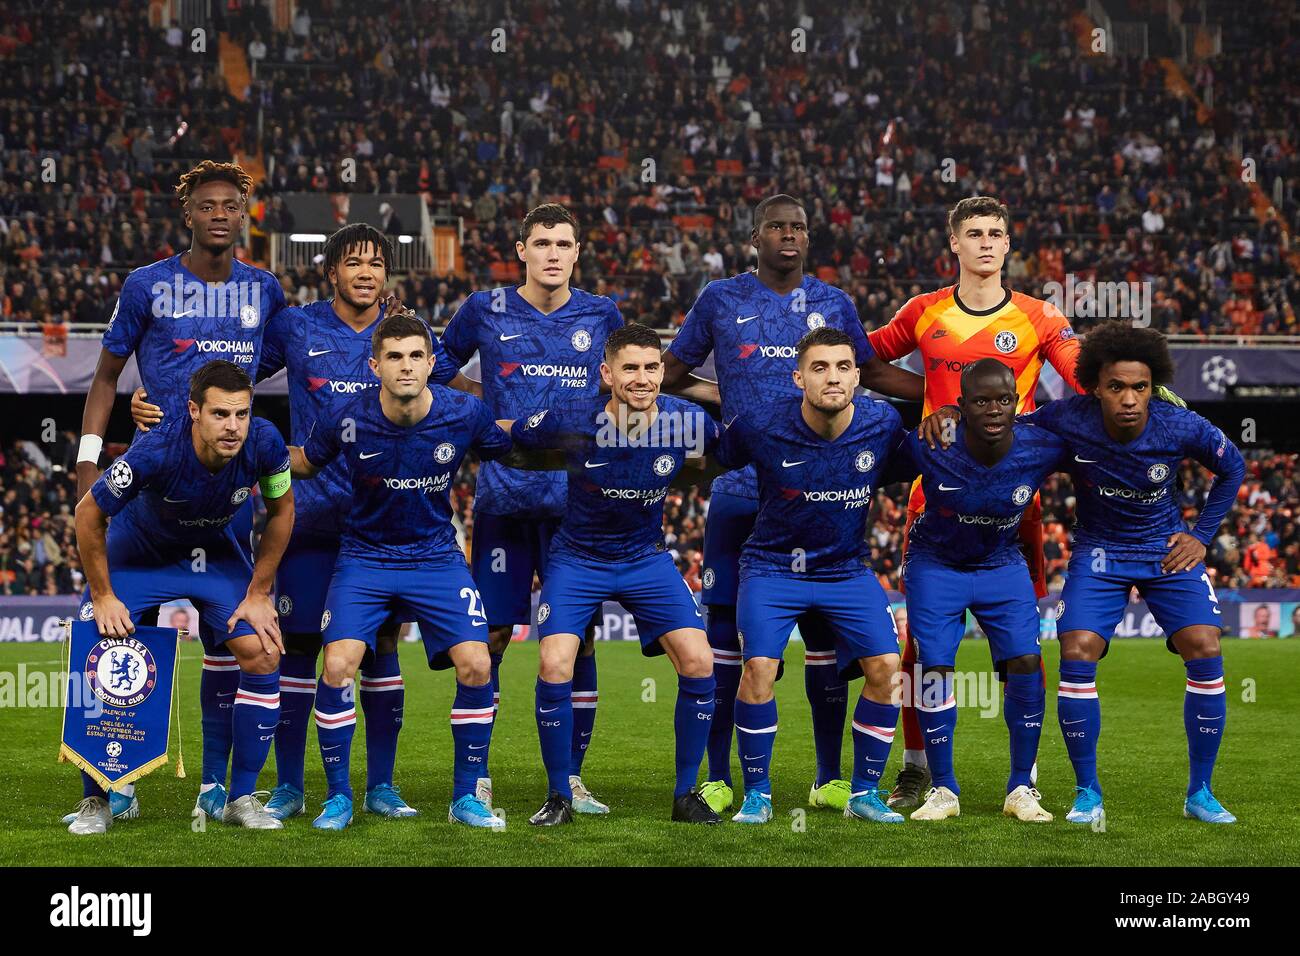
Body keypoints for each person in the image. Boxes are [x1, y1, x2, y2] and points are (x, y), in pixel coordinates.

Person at [660, 193, 923, 815]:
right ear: (755, 237)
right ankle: (722, 776)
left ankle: (833, 778)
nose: (789, 235)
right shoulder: (721, 298)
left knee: (828, 648)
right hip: (740, 494)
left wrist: (950, 394)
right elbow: (671, 375)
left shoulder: (833, 304)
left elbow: (872, 373)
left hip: (821, 501)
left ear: (810, 238)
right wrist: (729, 399)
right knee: (730, 646)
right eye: (776, 226)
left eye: (799, 227)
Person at [71, 160, 285, 825]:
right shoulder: (147, 286)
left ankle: (228, 791)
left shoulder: (265, 290)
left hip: (220, 518)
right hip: (147, 497)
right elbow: (106, 377)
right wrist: (89, 463)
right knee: (105, 638)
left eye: (231, 204)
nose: (219, 214)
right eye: (206, 204)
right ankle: (105, 792)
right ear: (186, 211)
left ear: (245, 209)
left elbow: (273, 362)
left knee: (252, 643)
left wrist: (227, 410)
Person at [867, 195, 1084, 809]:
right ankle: (917, 768)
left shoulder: (1040, 316)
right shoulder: (924, 311)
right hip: (934, 493)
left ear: (1008, 245)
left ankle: (1026, 776)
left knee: (1020, 640)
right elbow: (865, 359)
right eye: (974, 233)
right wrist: (933, 399)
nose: (986, 243)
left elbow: (1080, 376)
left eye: (996, 233)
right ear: (954, 244)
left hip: (1017, 502)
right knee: (924, 646)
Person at [287, 311, 512, 830]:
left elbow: (509, 446)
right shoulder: (347, 415)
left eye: (416, 356)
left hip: (435, 556)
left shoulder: (464, 413)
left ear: (432, 363)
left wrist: (575, 433)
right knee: (338, 665)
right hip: (364, 557)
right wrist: (249, 444)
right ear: (374, 365)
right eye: (394, 357)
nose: (406, 366)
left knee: (477, 664)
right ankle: (341, 797)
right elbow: (306, 462)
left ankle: (465, 797)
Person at [1018, 321, 1246, 824]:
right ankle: (1087, 792)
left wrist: (1201, 535)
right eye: (1116, 387)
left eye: (1139, 387)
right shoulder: (1066, 418)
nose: (1128, 398)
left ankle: (1200, 793)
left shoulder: (1179, 425)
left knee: (1205, 646)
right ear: (1095, 386)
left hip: (1165, 549)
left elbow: (1235, 467)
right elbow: (1006, 436)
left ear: (1153, 386)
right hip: (1099, 551)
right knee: (1077, 651)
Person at [440, 203, 626, 814]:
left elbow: (624, 382)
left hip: (580, 506)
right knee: (490, 636)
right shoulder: (484, 309)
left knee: (581, 640)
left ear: (578, 253)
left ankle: (571, 778)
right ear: (520, 250)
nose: (552, 253)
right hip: (505, 500)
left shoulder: (601, 314)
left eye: (563, 243)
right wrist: (480, 401)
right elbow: (437, 368)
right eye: (541, 242)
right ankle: (477, 777)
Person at [504, 323, 721, 825]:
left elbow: (728, 448)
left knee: (699, 661)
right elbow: (516, 433)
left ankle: (685, 793)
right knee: (555, 663)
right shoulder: (573, 418)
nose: (642, 378)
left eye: (651, 367)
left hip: (646, 559)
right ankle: (559, 795)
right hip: (579, 559)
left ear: (662, 372)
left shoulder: (690, 421)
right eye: (630, 368)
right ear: (606, 373)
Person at [65, 361, 294, 834]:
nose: (233, 427)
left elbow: (282, 510)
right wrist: (104, 595)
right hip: (140, 554)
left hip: (213, 554)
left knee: (263, 652)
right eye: (219, 414)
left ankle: (241, 797)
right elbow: (88, 513)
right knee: (98, 648)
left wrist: (259, 591)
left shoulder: (266, 442)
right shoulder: (155, 450)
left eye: (241, 414)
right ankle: (99, 801)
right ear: (194, 411)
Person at [714, 327, 910, 825]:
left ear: (858, 376)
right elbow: (713, 460)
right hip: (773, 566)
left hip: (844, 568)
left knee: (887, 667)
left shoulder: (883, 422)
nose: (833, 377)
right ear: (798, 377)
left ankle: (863, 794)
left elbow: (910, 460)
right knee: (757, 669)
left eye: (844, 367)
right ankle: (758, 795)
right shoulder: (759, 424)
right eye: (820, 368)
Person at [893, 359, 1067, 823]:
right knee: (935, 667)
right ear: (962, 405)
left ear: (1017, 402)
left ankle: (1021, 787)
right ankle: (943, 789)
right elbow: (872, 469)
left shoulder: (1041, 444)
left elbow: (1094, 437)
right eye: (982, 400)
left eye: (1004, 399)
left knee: (1028, 661)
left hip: (1000, 562)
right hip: (936, 563)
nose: (994, 409)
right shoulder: (933, 441)